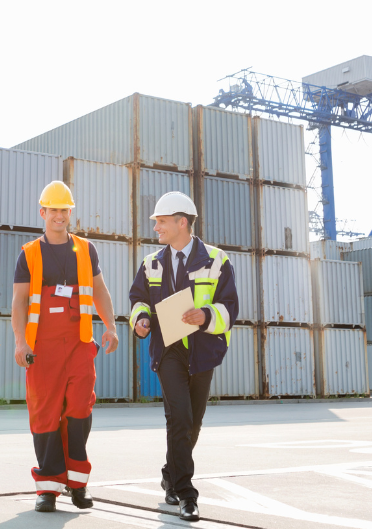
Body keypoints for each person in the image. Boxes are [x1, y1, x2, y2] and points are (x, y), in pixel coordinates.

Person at [128, 191, 238, 522]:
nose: (156, 227)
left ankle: (169, 472)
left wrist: (205, 315)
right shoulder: (151, 264)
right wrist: (141, 320)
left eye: (161, 221)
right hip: (168, 350)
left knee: (193, 421)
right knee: (179, 416)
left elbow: (230, 307)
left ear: (182, 223)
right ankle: (185, 494)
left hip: (202, 351)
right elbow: (137, 299)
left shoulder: (217, 260)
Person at [11, 180, 119, 513]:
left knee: (79, 410)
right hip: (41, 347)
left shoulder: (86, 249)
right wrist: (19, 341)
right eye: (53, 210)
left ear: (70, 212)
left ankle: (77, 483)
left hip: (79, 342)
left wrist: (112, 326)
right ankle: (48, 488)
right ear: (42, 212)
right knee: (44, 412)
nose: (59, 216)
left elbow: (100, 291)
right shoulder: (29, 253)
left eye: (64, 210)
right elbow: (18, 300)